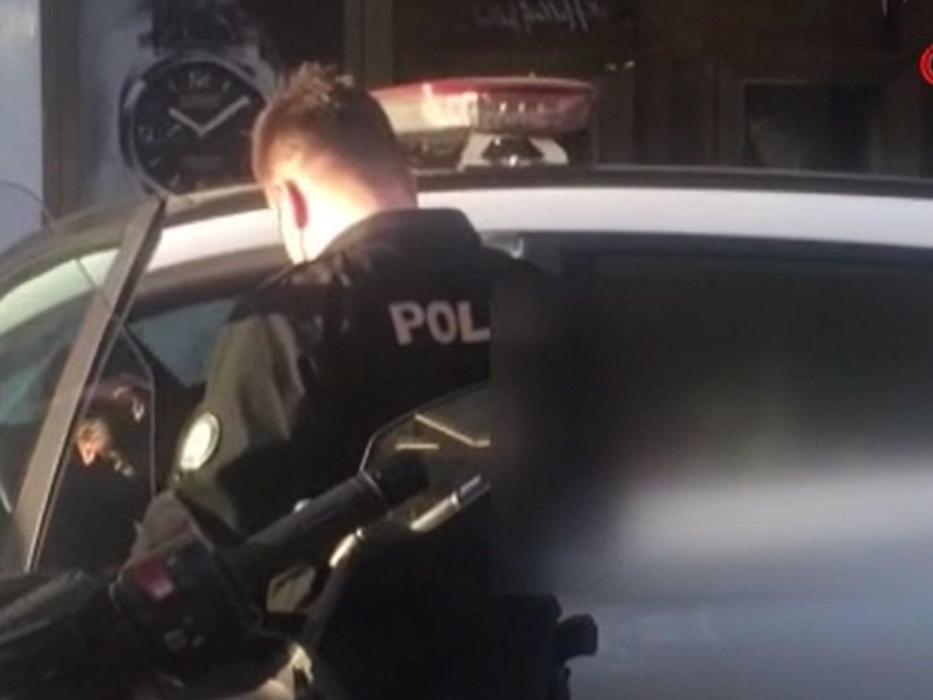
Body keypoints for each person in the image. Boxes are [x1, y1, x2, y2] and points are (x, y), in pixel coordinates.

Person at [132, 63, 536, 558]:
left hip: (353, 609)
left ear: (288, 201)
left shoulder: (294, 320)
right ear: (406, 176)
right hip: (520, 609)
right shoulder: (530, 292)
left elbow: (206, 529)